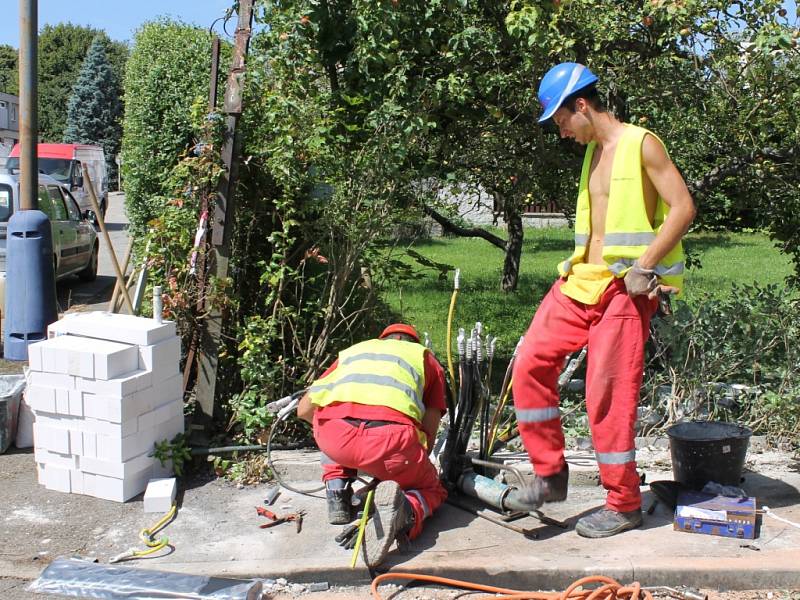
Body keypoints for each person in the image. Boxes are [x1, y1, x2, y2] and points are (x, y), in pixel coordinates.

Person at [506, 63, 696, 538]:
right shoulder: (595, 152)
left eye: (561, 120)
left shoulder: (641, 144)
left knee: (606, 396)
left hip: (622, 291)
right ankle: (550, 475)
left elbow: (684, 207)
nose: (561, 130)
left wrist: (645, 266)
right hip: (581, 281)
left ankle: (624, 502)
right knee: (529, 362)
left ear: (582, 106)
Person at [296, 323, 448, 566]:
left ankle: (337, 493)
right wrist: (407, 469)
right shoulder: (425, 358)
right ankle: (405, 511)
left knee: (327, 420)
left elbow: (303, 410)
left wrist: (336, 440)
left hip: (336, 439)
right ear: (415, 342)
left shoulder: (354, 351)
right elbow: (429, 430)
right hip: (391, 444)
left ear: (382, 339)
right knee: (433, 490)